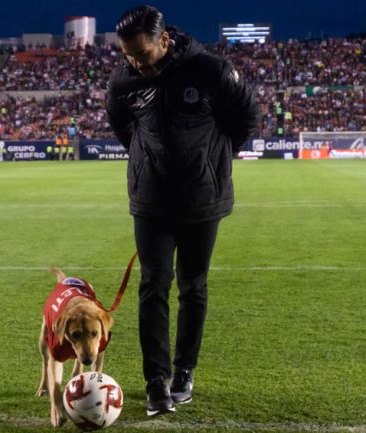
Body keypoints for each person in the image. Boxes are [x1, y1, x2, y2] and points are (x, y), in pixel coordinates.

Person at [106, 5, 260, 417]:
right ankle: (155, 381)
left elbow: (246, 118)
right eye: (128, 56)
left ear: (165, 41)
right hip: (151, 200)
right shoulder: (124, 81)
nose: (136, 63)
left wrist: (212, 161)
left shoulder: (210, 70)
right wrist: (147, 161)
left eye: (142, 54)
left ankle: (184, 373)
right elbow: (123, 127)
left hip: (202, 200)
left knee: (193, 287)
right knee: (153, 284)